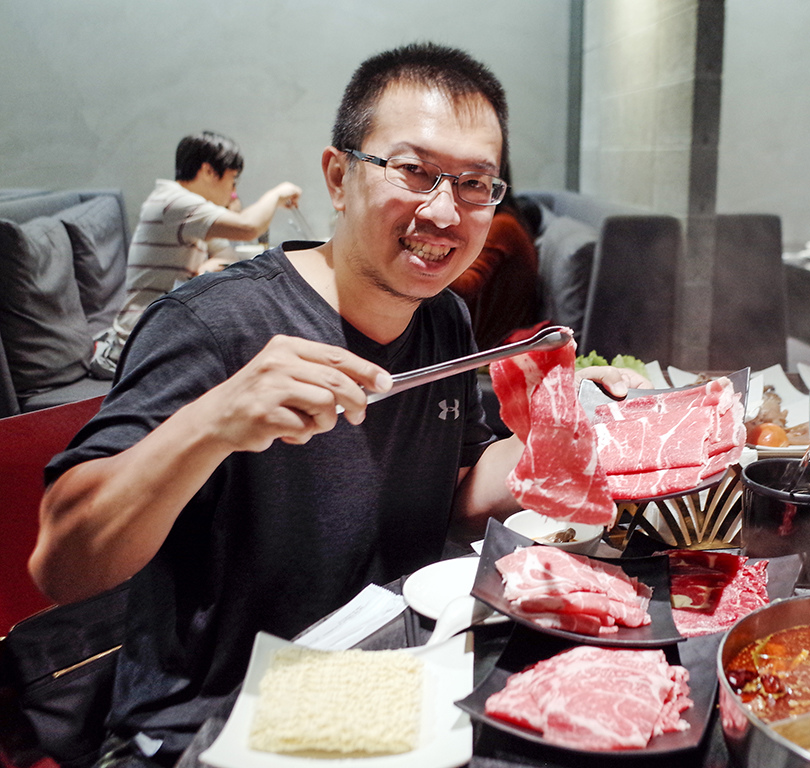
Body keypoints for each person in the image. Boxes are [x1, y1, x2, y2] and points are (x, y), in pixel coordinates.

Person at [30, 43, 645, 766]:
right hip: (211, 721)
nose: (444, 211)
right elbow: (62, 563)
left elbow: (451, 498)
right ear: (338, 177)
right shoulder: (214, 323)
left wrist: (564, 433)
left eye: (475, 184)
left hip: (387, 685)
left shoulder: (443, 317)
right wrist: (214, 422)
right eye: (413, 171)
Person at [89, 131, 303, 377]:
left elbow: (228, 253)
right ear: (209, 171)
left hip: (163, 330)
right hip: (138, 342)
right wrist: (277, 194)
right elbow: (248, 228)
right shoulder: (174, 202)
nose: (233, 191)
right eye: (232, 180)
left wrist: (210, 264)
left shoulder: (191, 211)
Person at [449, 171, 540, 350]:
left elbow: (467, 287)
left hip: (490, 349)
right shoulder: (503, 221)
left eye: (472, 183)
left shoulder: (502, 226)